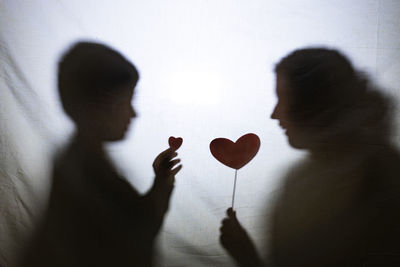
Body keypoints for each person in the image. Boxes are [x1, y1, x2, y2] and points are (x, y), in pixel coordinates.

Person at [220, 48, 400, 267]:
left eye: (282, 98)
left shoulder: (382, 183)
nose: (274, 114)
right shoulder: (300, 178)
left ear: (313, 102)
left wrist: (248, 259)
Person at [21, 42, 182, 267]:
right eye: (127, 100)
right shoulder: (82, 171)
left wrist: (161, 183)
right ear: (101, 104)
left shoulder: (81, 161)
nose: (134, 113)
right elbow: (133, 239)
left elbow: (134, 225)